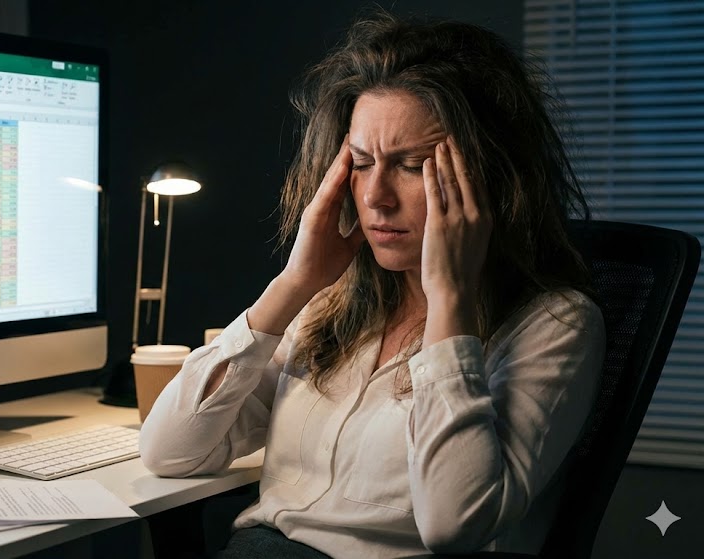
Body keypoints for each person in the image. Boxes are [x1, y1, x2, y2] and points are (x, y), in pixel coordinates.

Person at [139, 10, 607, 559]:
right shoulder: (331, 304)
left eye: (411, 165)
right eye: (362, 163)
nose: (377, 197)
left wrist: (449, 301)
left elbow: (454, 526)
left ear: (492, 177)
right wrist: (294, 284)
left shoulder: (556, 325)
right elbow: (168, 451)